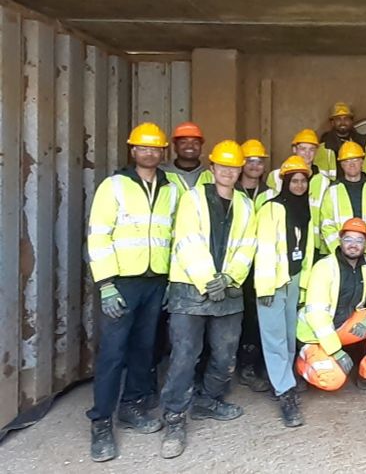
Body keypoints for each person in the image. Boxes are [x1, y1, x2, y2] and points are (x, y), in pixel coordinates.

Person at [85, 123, 180, 462]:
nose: (150, 153)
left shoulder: (170, 188)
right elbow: (98, 236)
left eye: (156, 148)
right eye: (144, 147)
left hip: (156, 281)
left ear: (162, 152)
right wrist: (106, 284)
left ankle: (133, 406)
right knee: (113, 352)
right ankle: (100, 423)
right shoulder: (115, 186)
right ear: (133, 151)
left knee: (145, 348)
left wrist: (171, 281)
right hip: (122, 282)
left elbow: (174, 236)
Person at [159, 140, 257, 459]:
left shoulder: (245, 204)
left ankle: (208, 401)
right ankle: (174, 418)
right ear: (212, 168)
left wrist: (228, 278)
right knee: (185, 355)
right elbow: (187, 240)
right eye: (223, 166)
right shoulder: (193, 199)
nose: (229, 172)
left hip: (228, 292)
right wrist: (207, 279)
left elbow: (248, 245)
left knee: (225, 354)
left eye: (234, 167)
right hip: (190, 290)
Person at [296, 218, 366, 396]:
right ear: (340, 241)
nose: (353, 245)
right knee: (332, 380)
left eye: (359, 240)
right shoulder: (324, 267)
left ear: (365, 244)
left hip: (342, 327)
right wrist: (336, 352)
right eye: (349, 239)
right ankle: (301, 365)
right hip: (315, 335)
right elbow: (317, 316)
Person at [255, 156, 315, 427]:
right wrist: (266, 286)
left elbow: (308, 251)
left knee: (290, 335)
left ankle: (284, 378)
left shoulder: (306, 210)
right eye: (295, 181)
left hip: (294, 279)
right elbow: (265, 249)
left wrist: (303, 285)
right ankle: (284, 392)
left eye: (303, 181)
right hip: (273, 282)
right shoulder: (271, 208)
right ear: (285, 182)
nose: (300, 185)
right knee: (275, 337)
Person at [234, 138, 272, 393]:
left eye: (259, 161)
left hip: (262, 263)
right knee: (232, 316)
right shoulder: (230, 191)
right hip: (235, 262)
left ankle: (251, 365)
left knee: (256, 317)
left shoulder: (271, 193)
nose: (255, 165)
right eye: (250, 160)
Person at [266, 129, 333, 259]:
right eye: (303, 149)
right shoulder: (275, 176)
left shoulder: (324, 181)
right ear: (294, 149)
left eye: (311, 149)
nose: (307, 153)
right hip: (282, 241)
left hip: (314, 244)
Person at [320, 140, 366, 260]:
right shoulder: (332, 191)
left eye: (355, 160)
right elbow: (327, 225)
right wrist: (340, 252)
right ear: (341, 164)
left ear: (362, 162)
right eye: (347, 161)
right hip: (340, 256)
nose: (351, 164)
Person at [316, 102, 366, 179]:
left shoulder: (364, 142)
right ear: (332, 122)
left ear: (351, 121)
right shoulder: (325, 146)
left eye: (346, 118)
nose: (342, 122)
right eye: (338, 119)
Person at [162, 122, 214, 191]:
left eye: (195, 142)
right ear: (175, 146)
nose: (190, 146)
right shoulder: (160, 173)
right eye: (183, 142)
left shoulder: (212, 176)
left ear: (201, 146)